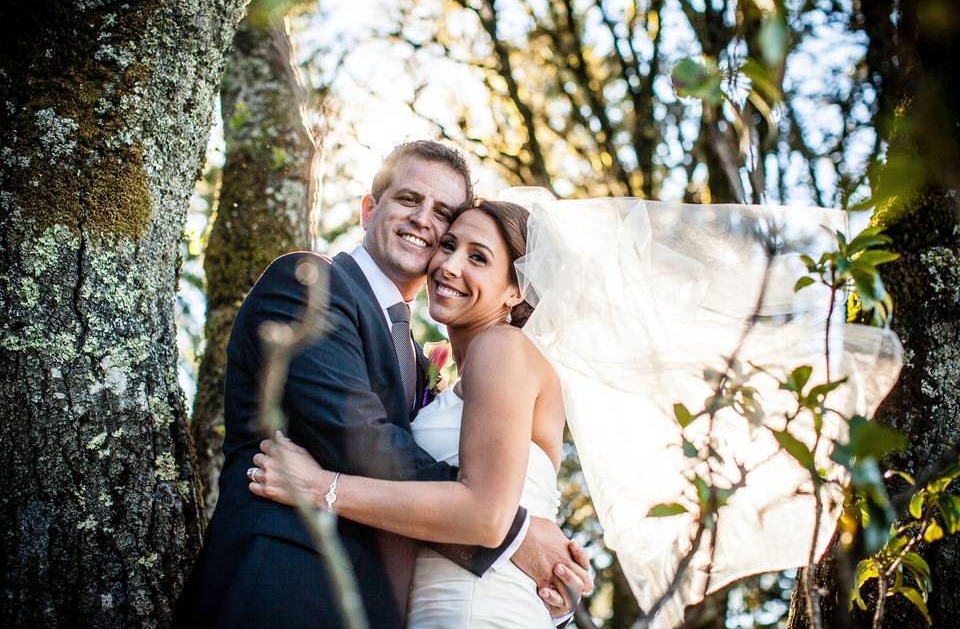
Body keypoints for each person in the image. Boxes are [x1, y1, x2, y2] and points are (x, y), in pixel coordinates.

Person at [252, 192, 904, 628]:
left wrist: (323, 487)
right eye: (448, 246)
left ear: (515, 290)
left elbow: (481, 513)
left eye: (478, 257)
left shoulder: (501, 352)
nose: (448, 264)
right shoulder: (468, 373)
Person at [174, 142, 590, 629]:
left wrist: (548, 586)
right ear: (369, 210)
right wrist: (516, 537)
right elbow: (360, 440)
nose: (424, 222)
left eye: (443, 214)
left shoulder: (426, 361)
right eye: (408, 200)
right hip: (282, 590)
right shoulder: (307, 288)